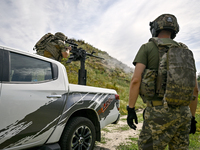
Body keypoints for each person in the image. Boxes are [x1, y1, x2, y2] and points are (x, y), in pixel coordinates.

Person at [127, 14, 198, 150]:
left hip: (158, 112)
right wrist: (192, 117)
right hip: (184, 113)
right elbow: (195, 89)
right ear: (175, 30)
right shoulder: (186, 52)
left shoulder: (147, 47)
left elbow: (136, 80)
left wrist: (131, 109)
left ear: (155, 28)